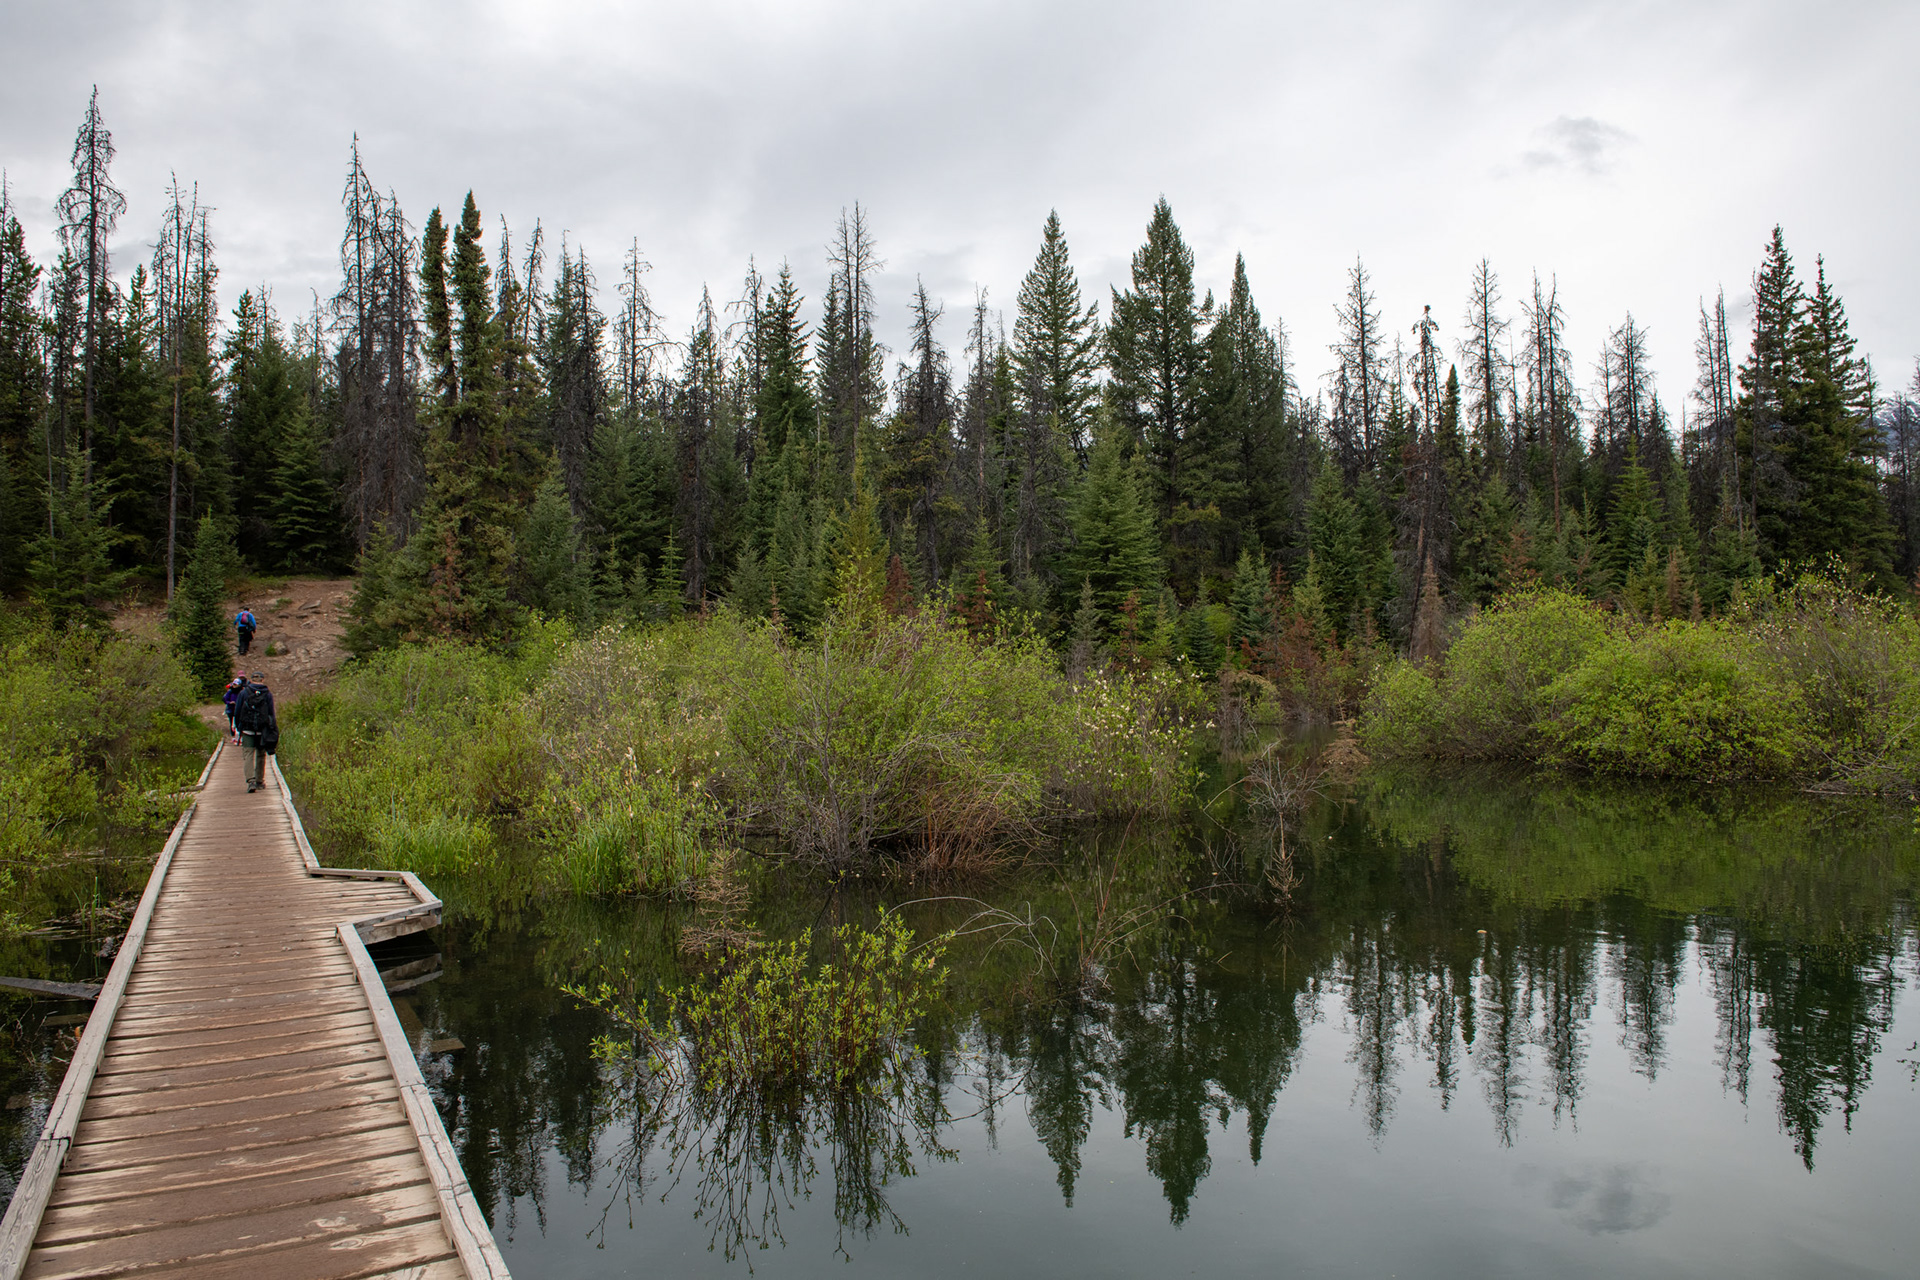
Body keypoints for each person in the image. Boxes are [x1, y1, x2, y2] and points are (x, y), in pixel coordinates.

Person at [233, 671, 277, 794]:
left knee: (248, 754)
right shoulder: (267, 694)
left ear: (250, 680)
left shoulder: (244, 693)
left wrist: (238, 726)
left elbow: (237, 711)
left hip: (247, 729)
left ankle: (250, 781)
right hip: (262, 729)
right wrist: (272, 729)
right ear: (262, 680)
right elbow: (271, 713)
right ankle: (259, 781)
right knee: (261, 754)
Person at [222, 673, 248, 742]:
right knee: (232, 723)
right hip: (231, 709)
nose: (234, 686)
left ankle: (240, 736)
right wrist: (229, 702)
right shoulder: (230, 691)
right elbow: (225, 699)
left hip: (239, 710)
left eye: (236, 684)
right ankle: (233, 736)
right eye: (233, 684)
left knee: (240, 722)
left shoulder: (242, 692)